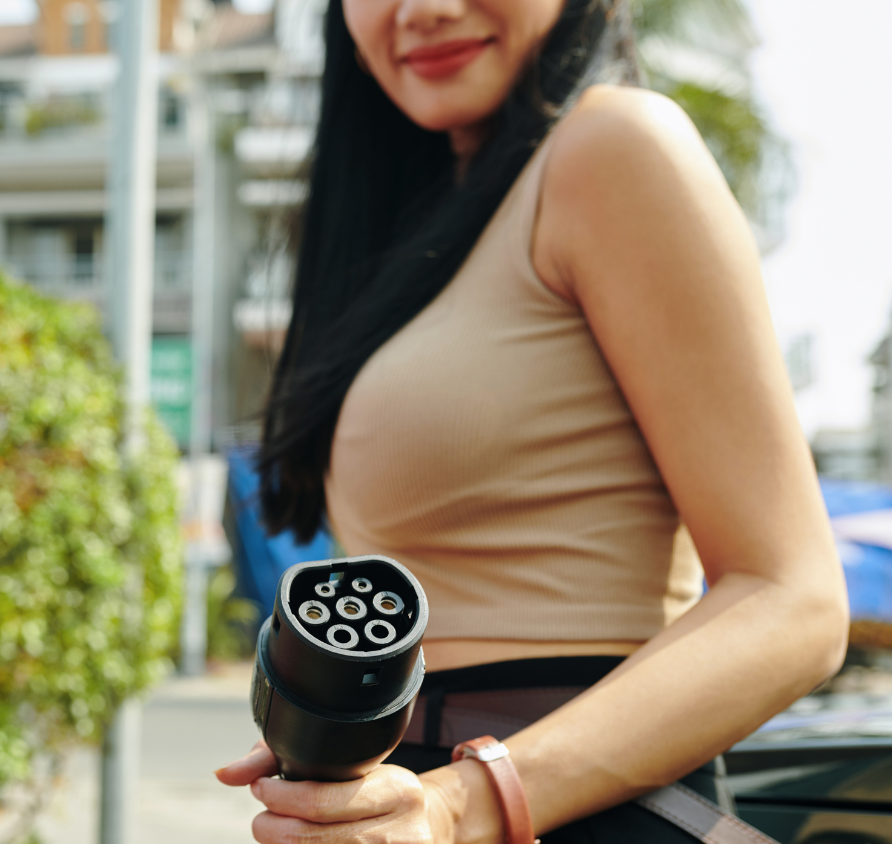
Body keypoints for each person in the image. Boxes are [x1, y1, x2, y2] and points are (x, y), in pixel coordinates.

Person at [213, 1, 849, 843]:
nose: (426, 9)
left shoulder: (614, 146)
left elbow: (793, 601)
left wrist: (459, 803)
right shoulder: (420, 218)